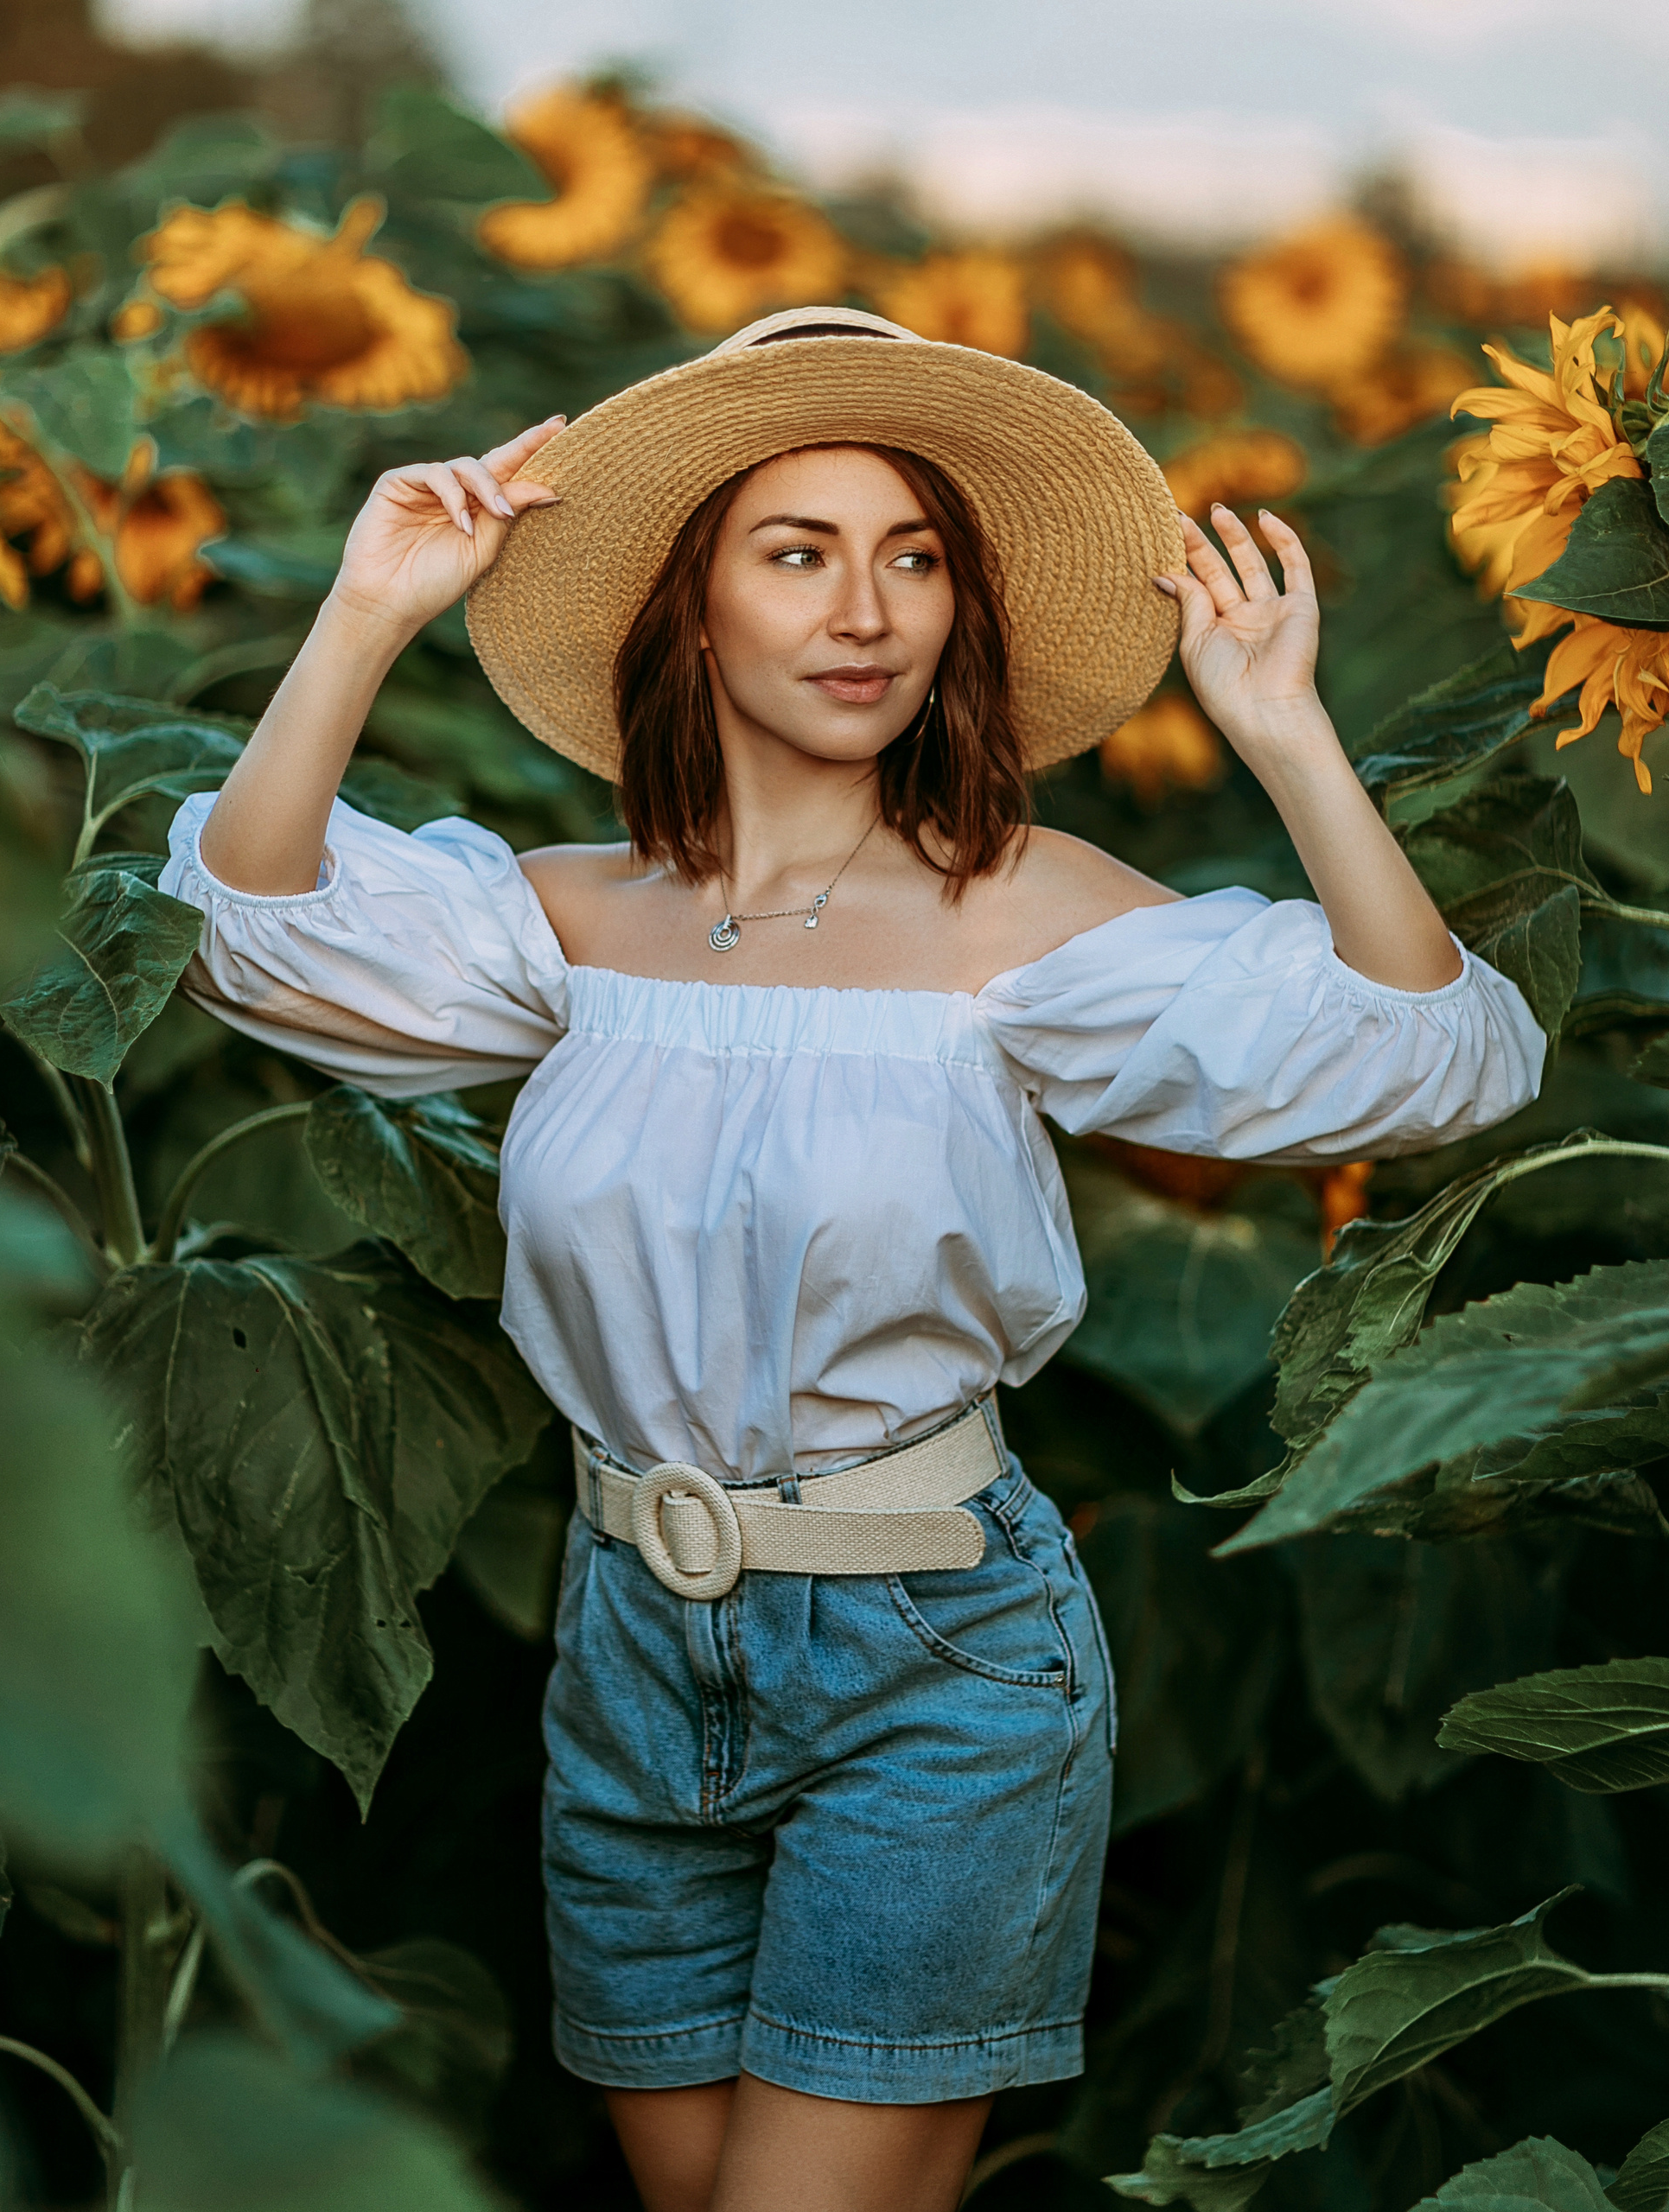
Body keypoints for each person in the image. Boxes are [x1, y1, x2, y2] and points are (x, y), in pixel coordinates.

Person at [161, 306, 1545, 2212]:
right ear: (691, 610)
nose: (868, 612)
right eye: (798, 554)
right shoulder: (573, 919)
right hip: (629, 1641)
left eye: (912, 560)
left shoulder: (1015, 908)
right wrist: (364, 612)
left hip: (934, 1654)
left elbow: (1432, 1054)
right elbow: (250, 932)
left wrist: (1285, 733)